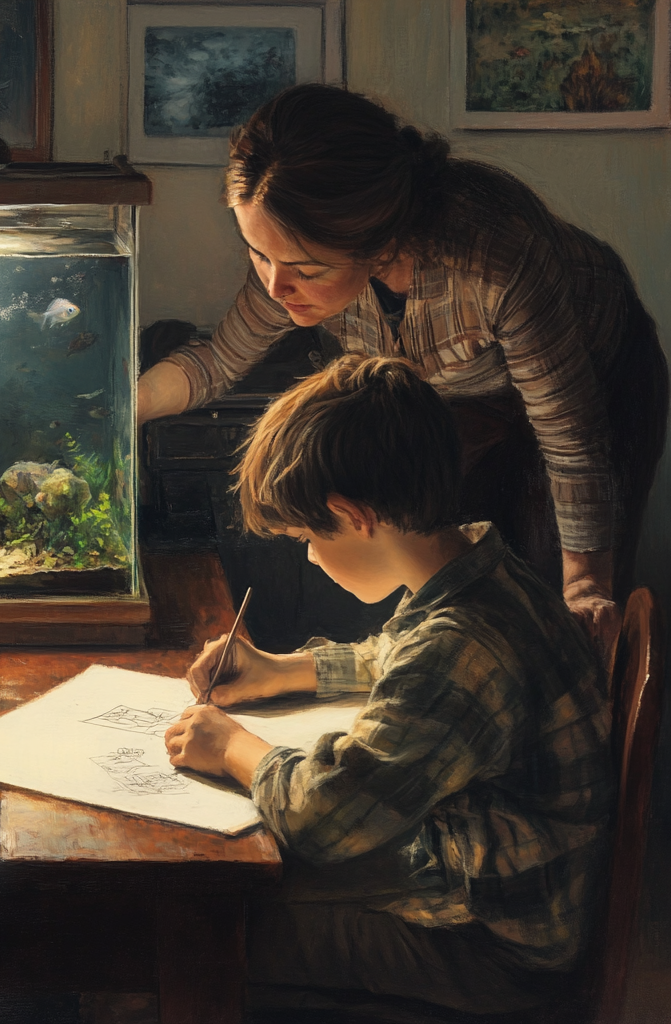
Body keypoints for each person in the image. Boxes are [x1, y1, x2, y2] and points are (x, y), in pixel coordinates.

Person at [137, 84, 668, 661]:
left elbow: (571, 440)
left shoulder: (496, 259)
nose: (274, 286)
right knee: (429, 561)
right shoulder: (295, 254)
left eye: (304, 269)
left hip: (596, 378)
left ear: (376, 240)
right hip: (462, 395)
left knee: (550, 602)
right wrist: (123, 407)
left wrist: (585, 589)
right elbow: (219, 360)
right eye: (258, 255)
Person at [163, 354, 613, 1017]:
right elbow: (393, 656)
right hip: (499, 884)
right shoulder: (484, 571)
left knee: (208, 928)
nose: (311, 556)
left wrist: (232, 747)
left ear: (354, 515)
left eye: (310, 536)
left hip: (494, 949)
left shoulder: (459, 647)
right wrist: (282, 669)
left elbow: (324, 816)